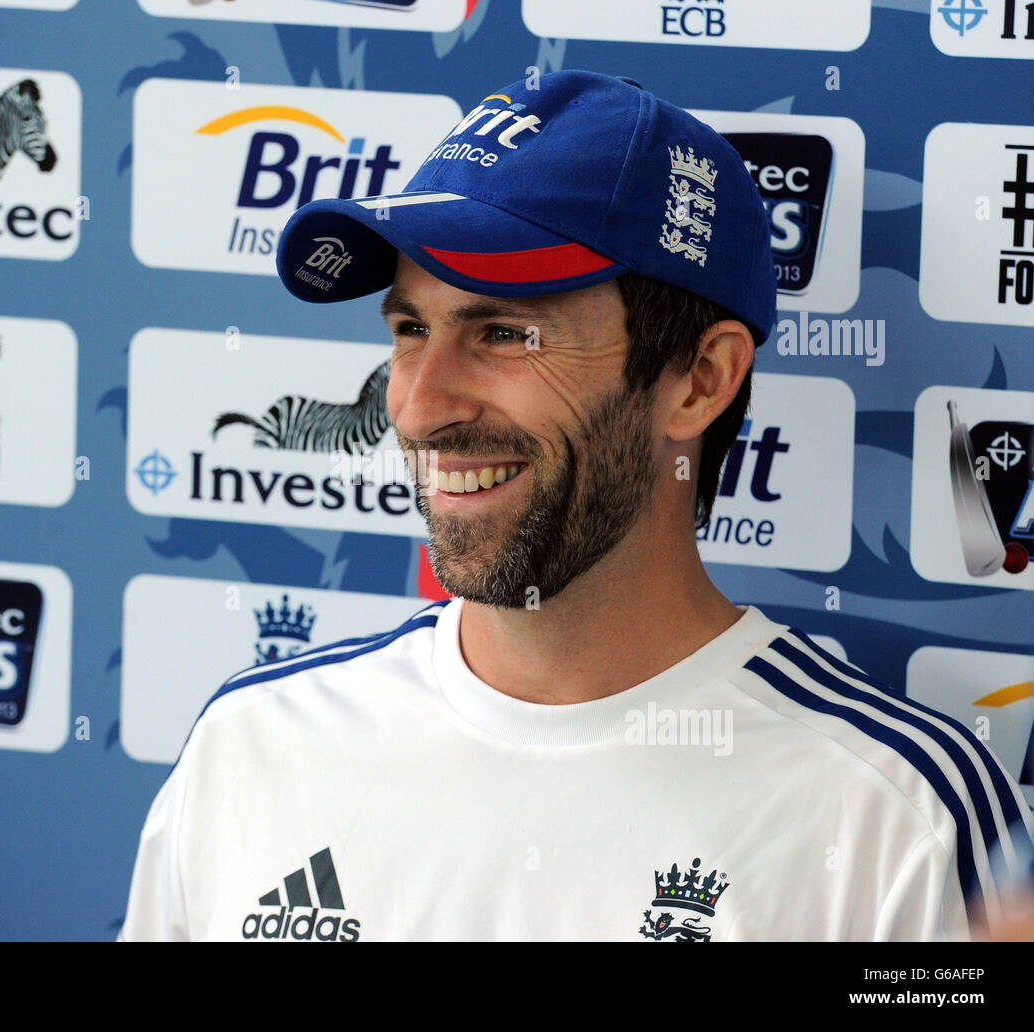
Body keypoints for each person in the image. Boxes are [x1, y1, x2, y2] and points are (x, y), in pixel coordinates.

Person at [120, 70, 1034, 941]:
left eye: (505, 333)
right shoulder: (252, 745)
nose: (418, 404)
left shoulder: (901, 818)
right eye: (410, 330)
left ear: (699, 381)